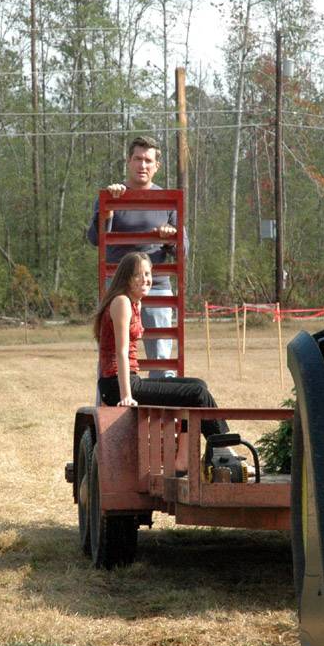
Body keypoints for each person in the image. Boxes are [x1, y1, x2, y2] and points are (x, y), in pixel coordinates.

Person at [94, 252, 226, 439]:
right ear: (126, 278)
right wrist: (126, 396)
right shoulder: (121, 302)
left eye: (148, 274)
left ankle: (184, 456)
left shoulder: (135, 303)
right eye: (138, 274)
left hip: (131, 380)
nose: (145, 279)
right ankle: (223, 447)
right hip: (116, 385)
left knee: (198, 385)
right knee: (197, 393)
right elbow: (121, 352)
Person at [86, 136, 181, 377]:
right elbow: (95, 239)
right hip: (117, 288)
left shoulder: (168, 200)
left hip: (157, 286)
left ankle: (162, 412)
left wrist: (170, 239)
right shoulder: (112, 195)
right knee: (112, 354)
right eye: (137, 159)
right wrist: (107, 211)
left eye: (148, 160)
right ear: (128, 161)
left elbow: (184, 250)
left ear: (157, 166)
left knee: (161, 359)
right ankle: (113, 408)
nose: (142, 165)